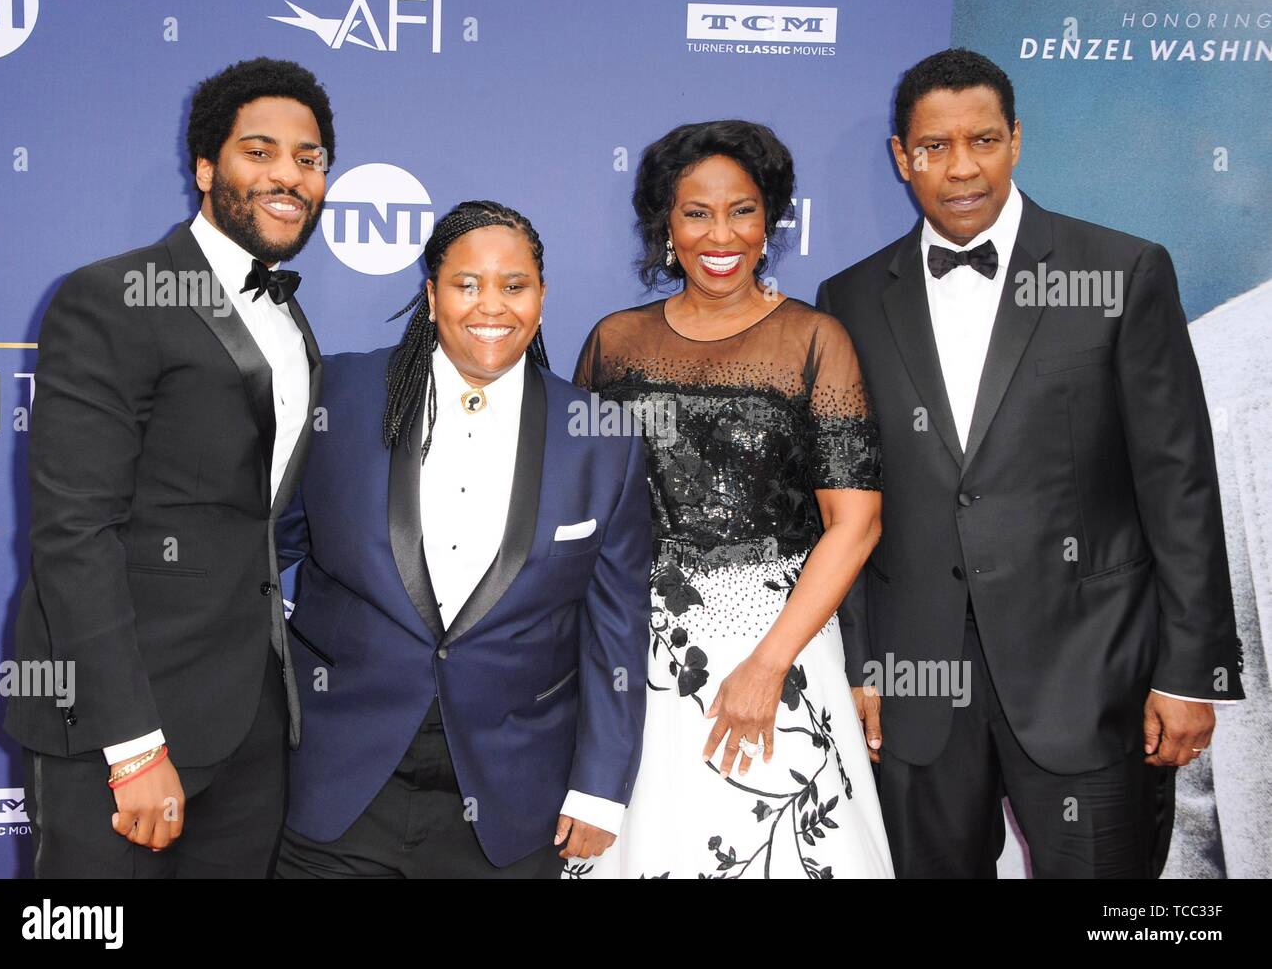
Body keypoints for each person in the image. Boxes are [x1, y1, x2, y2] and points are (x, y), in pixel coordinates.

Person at [816, 48, 1245, 878]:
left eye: (982, 139)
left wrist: (1193, 673)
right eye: (934, 147)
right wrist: (859, 662)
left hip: (1091, 677)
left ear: (1017, 140)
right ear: (902, 157)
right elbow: (850, 497)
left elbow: (1180, 486)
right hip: (917, 690)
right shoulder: (852, 298)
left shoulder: (1120, 273)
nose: (961, 166)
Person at [5, 57, 334, 877]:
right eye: (259, 152)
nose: (288, 175)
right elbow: (75, 531)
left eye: (310, 157)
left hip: (252, 724)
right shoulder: (110, 296)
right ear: (204, 168)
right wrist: (132, 744)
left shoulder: (291, 320)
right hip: (123, 726)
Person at [273, 200, 651, 878]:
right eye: (466, 283)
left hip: (512, 804)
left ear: (541, 296)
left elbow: (615, 626)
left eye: (515, 285)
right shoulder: (340, 394)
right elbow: (262, 560)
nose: (492, 306)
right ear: (429, 293)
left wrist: (601, 785)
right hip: (339, 784)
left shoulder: (602, 437)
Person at [571, 120, 894, 878]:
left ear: (770, 219)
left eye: (742, 210)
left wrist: (766, 664)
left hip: (777, 641)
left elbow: (858, 522)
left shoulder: (817, 339)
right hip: (635, 648)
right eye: (696, 212)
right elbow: (575, 507)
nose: (722, 233)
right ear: (665, 224)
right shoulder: (614, 341)